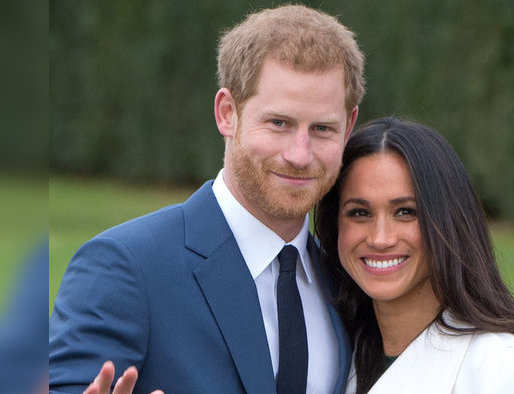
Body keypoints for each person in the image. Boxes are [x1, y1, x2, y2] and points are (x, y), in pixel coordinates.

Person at [49, 5, 364, 394]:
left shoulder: (348, 281)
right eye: (278, 123)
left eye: (322, 128)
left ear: (348, 127)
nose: (299, 154)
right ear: (227, 113)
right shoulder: (125, 269)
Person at [315, 117, 514, 394]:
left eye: (405, 212)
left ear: (447, 222)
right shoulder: (338, 359)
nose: (380, 238)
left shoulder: (501, 364)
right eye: (359, 213)